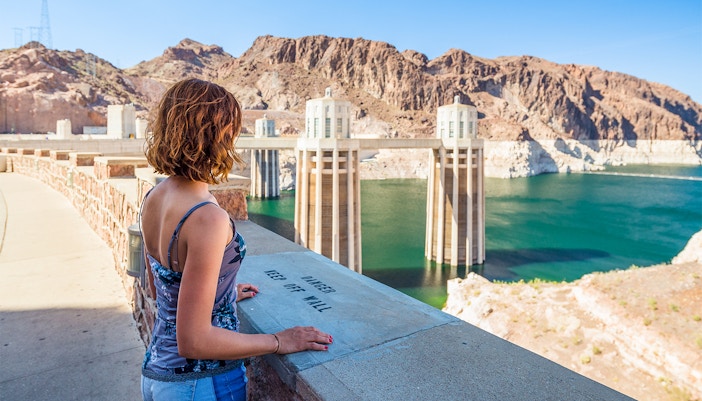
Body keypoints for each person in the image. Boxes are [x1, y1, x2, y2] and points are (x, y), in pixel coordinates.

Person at [139, 78, 332, 401]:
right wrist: (279, 341)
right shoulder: (207, 217)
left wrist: (221, 295)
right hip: (201, 384)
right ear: (216, 136)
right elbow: (194, 341)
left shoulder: (154, 197)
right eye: (232, 130)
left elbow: (159, 287)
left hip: (157, 375)